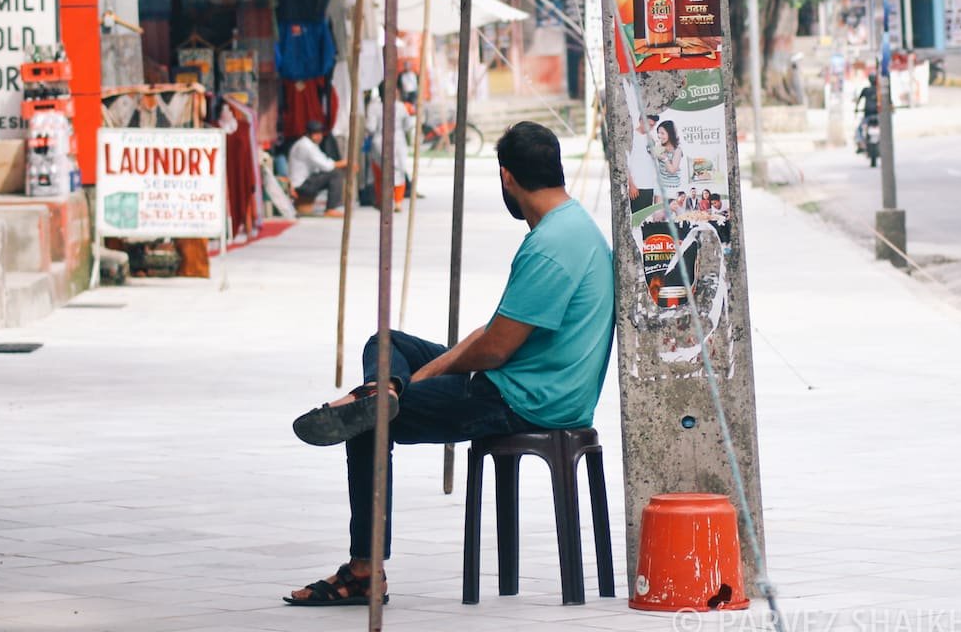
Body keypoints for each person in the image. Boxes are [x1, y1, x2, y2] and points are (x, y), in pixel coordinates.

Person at [284, 122, 615, 606]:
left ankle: (362, 570)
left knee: (368, 425)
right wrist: (419, 375)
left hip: (523, 400)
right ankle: (385, 390)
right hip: (529, 383)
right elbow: (493, 334)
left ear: (507, 178)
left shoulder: (550, 247)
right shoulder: (575, 226)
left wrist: (432, 373)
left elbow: (496, 348)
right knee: (386, 340)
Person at [289, 120, 348, 217]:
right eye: (316, 133)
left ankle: (335, 206)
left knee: (334, 172)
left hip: (304, 182)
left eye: (320, 133)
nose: (319, 136)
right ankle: (331, 208)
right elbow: (326, 165)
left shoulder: (306, 144)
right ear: (309, 134)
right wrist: (344, 163)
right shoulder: (306, 145)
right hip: (301, 185)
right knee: (335, 174)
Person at [654, 119, 686, 194]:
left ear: (670, 134)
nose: (659, 136)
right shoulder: (659, 147)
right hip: (660, 187)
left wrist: (665, 158)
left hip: (673, 188)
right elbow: (654, 154)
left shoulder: (677, 150)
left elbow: (672, 171)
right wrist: (658, 147)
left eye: (662, 133)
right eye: (658, 133)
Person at [855, 73, 880, 150]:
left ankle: (861, 144)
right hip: (877, 116)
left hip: (868, 115)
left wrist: (856, 109)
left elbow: (858, 101)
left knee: (859, 130)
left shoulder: (866, 90)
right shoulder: (878, 91)